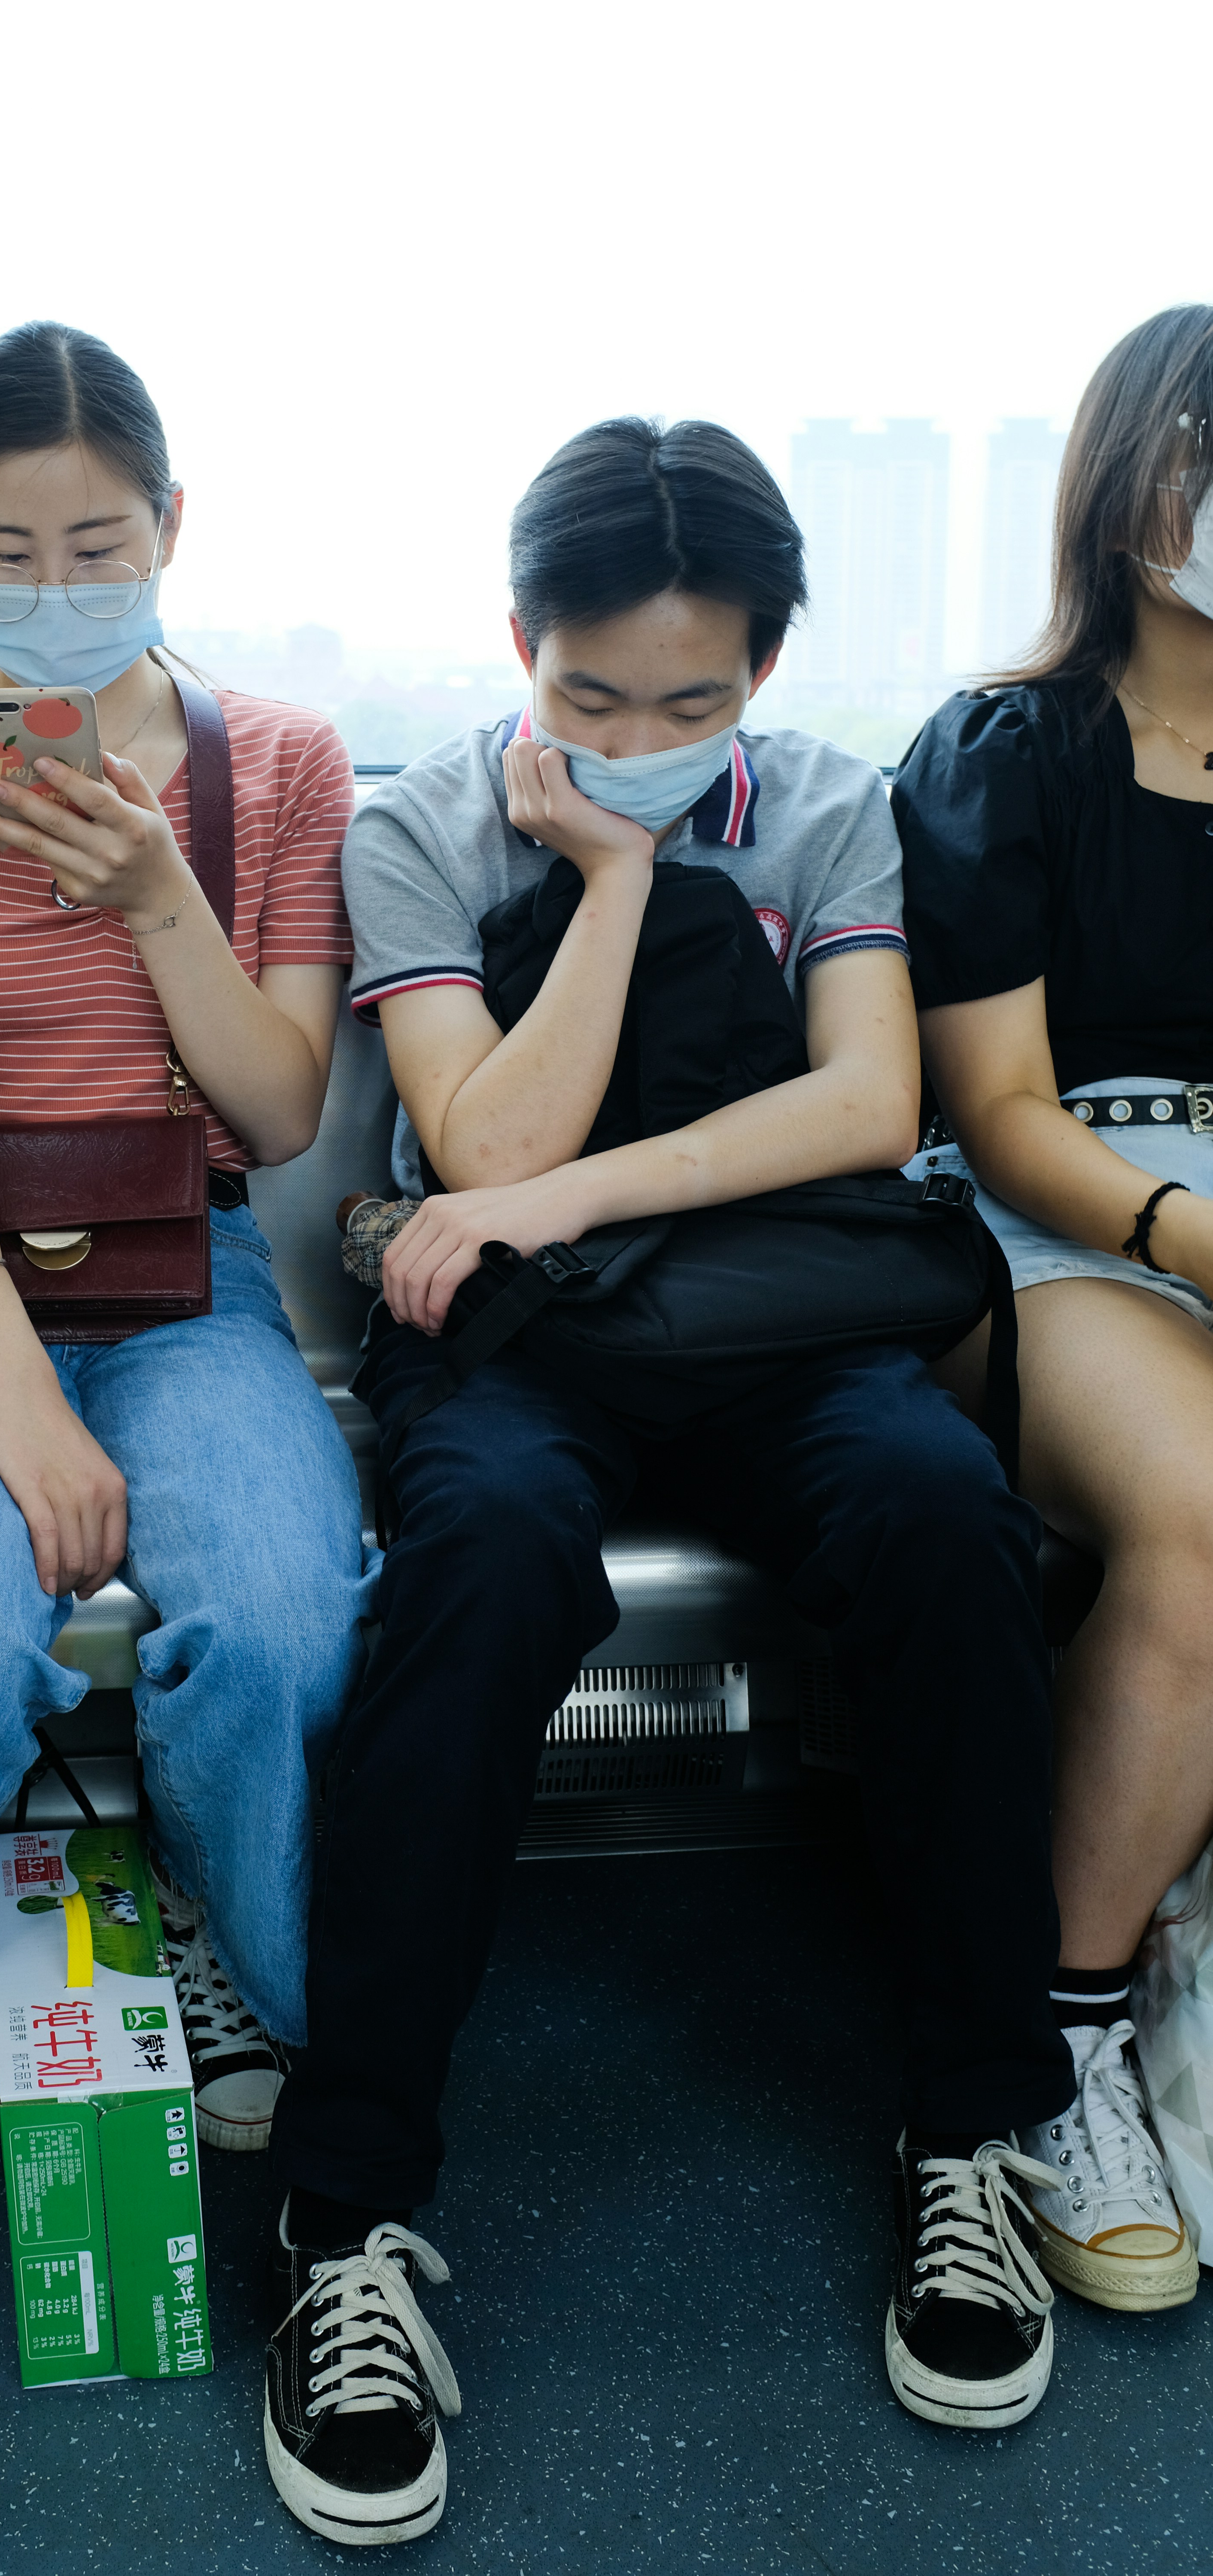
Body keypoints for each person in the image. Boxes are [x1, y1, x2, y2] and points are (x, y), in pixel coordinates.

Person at [260, 416, 1078, 2547]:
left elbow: (865, 1102)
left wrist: (563, 1189)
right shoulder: (423, 826)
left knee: (939, 1525)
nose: (636, 735)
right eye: (590, 695)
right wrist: (616, 886)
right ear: (516, 643)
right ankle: (346, 2213)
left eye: (691, 704)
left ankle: (970, 2137)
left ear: (767, 677)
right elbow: (482, 1148)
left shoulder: (829, 809)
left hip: (779, 1321)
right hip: (526, 1350)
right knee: (480, 1557)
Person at [0, 322, 374, 2165]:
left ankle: (224, 1932)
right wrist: (26, 1403)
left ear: (171, 528)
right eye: (12, 558)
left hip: (184, 1273)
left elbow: (277, 1116)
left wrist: (159, 897)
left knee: (282, 1624)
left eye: (98, 552)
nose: (53, 597)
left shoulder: (277, 761)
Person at [891, 304, 1213, 2319]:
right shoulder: (1003, 753)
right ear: (1133, 486)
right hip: (1062, 1226)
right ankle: (1065, 2043)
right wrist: (1186, 1231)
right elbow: (998, 1115)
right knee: (1206, 1513)